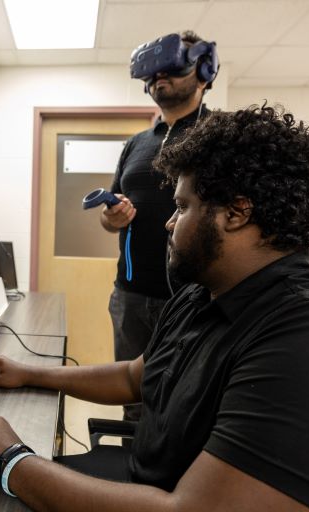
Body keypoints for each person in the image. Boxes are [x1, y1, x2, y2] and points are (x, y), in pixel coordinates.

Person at [0, 105, 309, 511]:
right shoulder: (202, 294)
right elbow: (137, 375)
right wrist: (30, 372)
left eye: (183, 206)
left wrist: (13, 462)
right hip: (150, 483)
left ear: (236, 213)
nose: (169, 223)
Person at [102, 30, 218, 423]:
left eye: (170, 69)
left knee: (186, 407)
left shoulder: (221, 135)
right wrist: (111, 217)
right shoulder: (135, 144)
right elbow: (109, 215)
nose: (158, 80)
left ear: (203, 70)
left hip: (196, 297)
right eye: (150, 75)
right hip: (130, 298)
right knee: (134, 405)